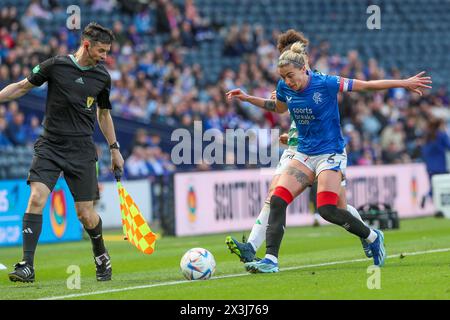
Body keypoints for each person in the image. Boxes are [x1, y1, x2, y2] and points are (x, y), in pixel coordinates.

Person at [226, 39, 431, 273]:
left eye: (291, 76)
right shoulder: (285, 88)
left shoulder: (326, 83)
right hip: (303, 153)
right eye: (283, 78)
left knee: (326, 209)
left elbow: (367, 85)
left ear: (304, 69)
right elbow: (279, 108)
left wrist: (403, 83)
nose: (287, 82)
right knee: (278, 200)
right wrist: (248, 98)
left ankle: (373, 236)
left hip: (330, 154)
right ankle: (270, 260)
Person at [225, 30, 372, 267]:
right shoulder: (287, 82)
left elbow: (310, 112)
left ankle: (368, 235)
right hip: (299, 149)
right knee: (276, 195)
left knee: (337, 207)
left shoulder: (317, 81)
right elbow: (286, 111)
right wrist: (289, 134)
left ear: (303, 58)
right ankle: (254, 247)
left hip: (327, 149)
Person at [0, 22, 124, 282]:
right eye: (101, 50)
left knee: (86, 215)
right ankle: (27, 266)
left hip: (81, 149)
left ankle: (101, 255)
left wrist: (115, 150)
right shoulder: (56, 65)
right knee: (36, 198)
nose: (105, 56)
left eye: (107, 51)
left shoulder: (102, 77)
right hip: (51, 145)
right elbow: (22, 86)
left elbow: (104, 114)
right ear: (86, 44)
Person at [420, 118, 450, 208]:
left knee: (433, 186)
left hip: (429, 166)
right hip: (440, 166)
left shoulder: (427, 136)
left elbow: (423, 151)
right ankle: (439, 206)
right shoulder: (441, 135)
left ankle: (428, 197)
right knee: (442, 187)